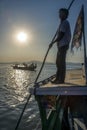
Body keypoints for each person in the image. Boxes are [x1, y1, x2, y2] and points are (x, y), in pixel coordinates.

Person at [49, 8, 71, 84]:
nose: (59, 15)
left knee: (61, 62)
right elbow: (60, 34)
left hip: (63, 45)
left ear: (65, 15)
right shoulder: (62, 23)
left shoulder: (65, 22)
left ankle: (61, 80)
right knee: (58, 62)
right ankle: (58, 78)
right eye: (59, 13)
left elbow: (61, 35)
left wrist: (53, 42)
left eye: (61, 13)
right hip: (61, 46)